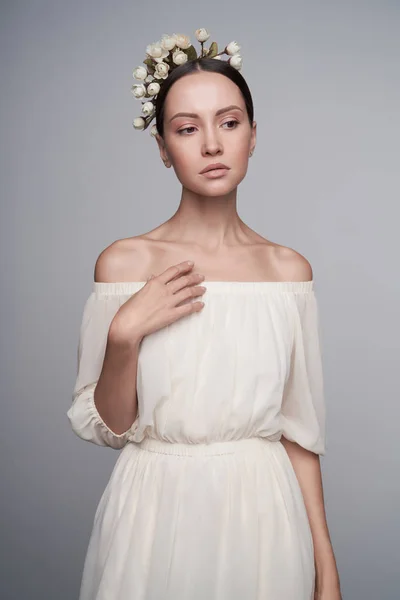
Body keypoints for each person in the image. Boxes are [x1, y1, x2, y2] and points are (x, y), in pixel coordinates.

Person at [67, 29, 342, 600]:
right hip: (153, 510)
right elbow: (112, 427)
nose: (212, 144)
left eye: (229, 122)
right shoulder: (125, 262)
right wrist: (124, 335)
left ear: (253, 135)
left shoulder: (287, 272)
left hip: (264, 514)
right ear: (164, 148)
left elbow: (300, 434)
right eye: (187, 129)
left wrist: (326, 568)